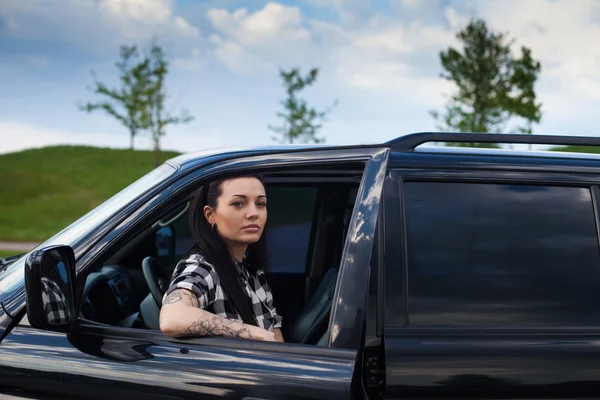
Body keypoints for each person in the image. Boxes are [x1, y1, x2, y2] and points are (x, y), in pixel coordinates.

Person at [159, 175, 284, 342]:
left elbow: (276, 337)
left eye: (260, 204)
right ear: (210, 215)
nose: (254, 213)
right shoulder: (204, 267)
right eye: (238, 203)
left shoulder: (252, 271)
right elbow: (172, 317)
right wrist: (252, 333)